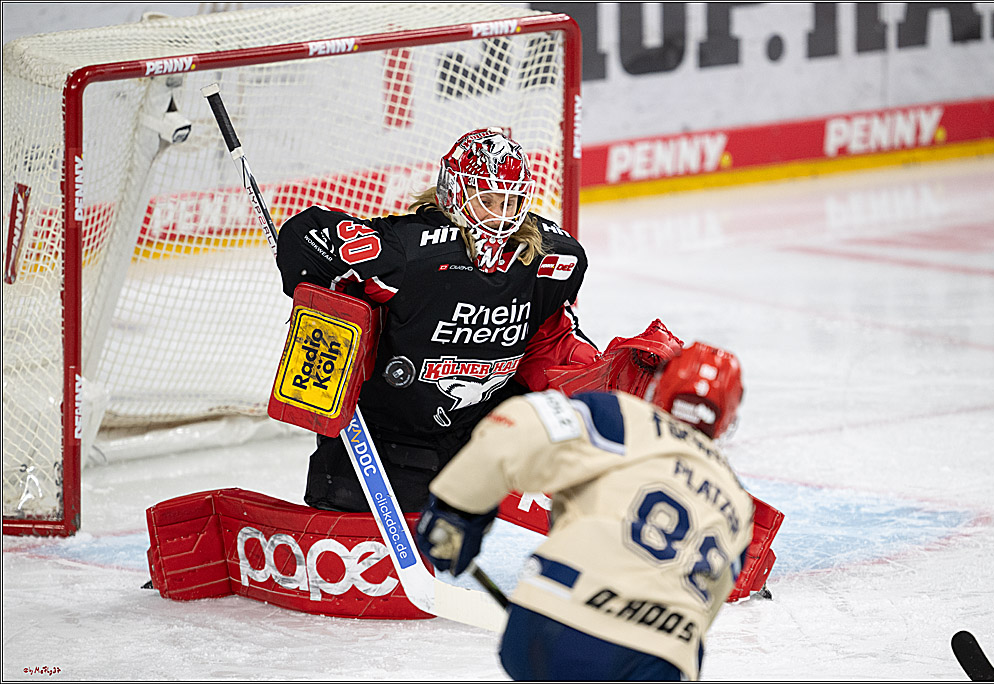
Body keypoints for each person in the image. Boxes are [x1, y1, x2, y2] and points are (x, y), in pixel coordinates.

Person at [275, 127, 600, 513]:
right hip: (380, 446)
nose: (501, 217)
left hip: (478, 444)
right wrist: (332, 297)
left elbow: (548, 340)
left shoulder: (545, 261)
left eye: (512, 203)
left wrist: (593, 382)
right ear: (456, 195)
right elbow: (302, 236)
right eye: (489, 201)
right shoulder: (407, 254)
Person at [415, 341, 754, 682]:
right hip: (661, 653)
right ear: (726, 417)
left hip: (558, 617)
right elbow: (709, 603)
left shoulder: (622, 418)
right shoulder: (739, 501)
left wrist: (456, 510)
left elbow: (517, 426)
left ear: (661, 385)